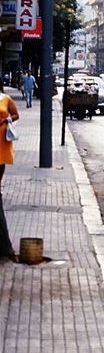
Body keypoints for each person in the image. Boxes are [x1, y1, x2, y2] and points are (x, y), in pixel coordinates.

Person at [0, 85, 20, 261]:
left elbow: (16, 115)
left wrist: (6, 120)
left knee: (1, 163)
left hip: (2, 139)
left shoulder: (5, 99)